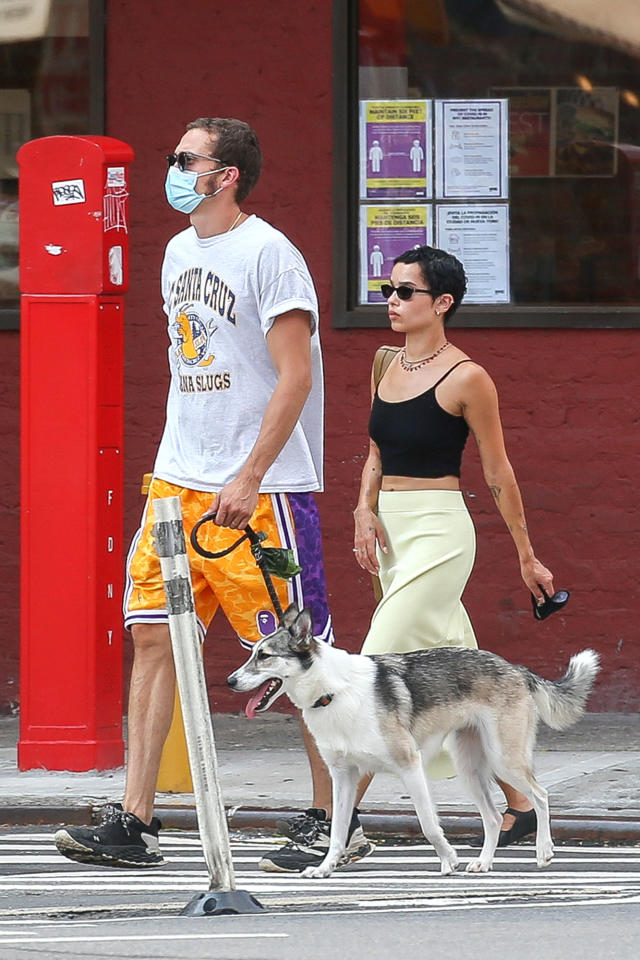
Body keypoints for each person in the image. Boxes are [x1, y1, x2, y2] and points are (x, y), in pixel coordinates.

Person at [53, 117, 370, 869]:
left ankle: (337, 819)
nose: (172, 167)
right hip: (178, 480)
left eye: (183, 158)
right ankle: (136, 820)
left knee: (296, 656)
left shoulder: (271, 255)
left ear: (225, 174)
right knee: (153, 635)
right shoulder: (173, 252)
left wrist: (251, 471)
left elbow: (295, 375)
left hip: (260, 489)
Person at [268, 245, 553, 864]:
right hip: (392, 530)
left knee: (370, 666)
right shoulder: (383, 363)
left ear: (442, 303)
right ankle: (521, 809)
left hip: (441, 531)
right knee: (465, 671)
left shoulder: (468, 377)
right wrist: (362, 510)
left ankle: (335, 828)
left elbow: (498, 470)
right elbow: (375, 450)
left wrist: (527, 556)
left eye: (405, 293)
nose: (391, 302)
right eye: (388, 290)